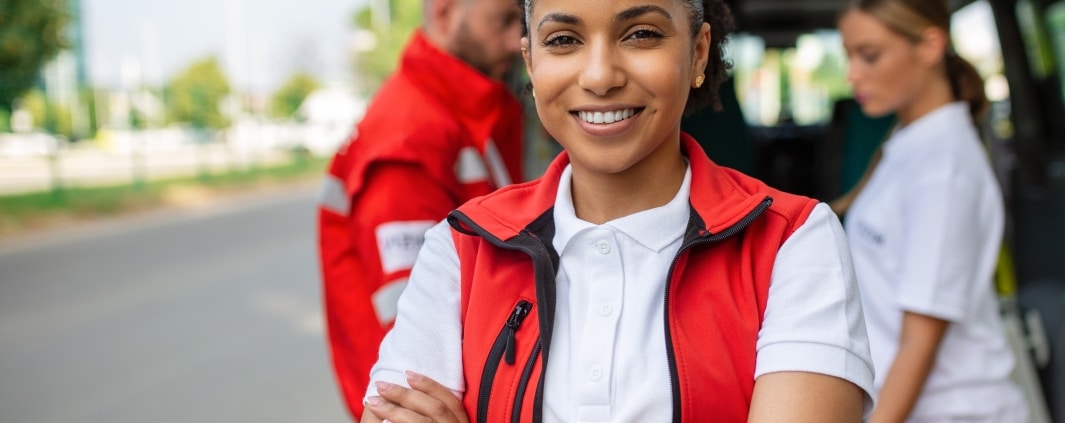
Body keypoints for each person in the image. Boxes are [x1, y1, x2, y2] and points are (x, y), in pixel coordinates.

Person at [357, 0, 876, 421]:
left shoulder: (793, 241)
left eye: (642, 34)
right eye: (563, 40)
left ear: (698, 53)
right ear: (531, 61)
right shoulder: (462, 245)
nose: (601, 75)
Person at [316, 0, 525, 418]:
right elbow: (414, 343)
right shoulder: (409, 137)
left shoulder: (458, 111)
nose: (517, 40)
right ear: (446, 14)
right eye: (504, 20)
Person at [837, 0, 1027, 421]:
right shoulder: (912, 144)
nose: (853, 74)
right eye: (848, 55)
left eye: (869, 55)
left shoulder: (943, 169)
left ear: (929, 46)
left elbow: (920, 343)